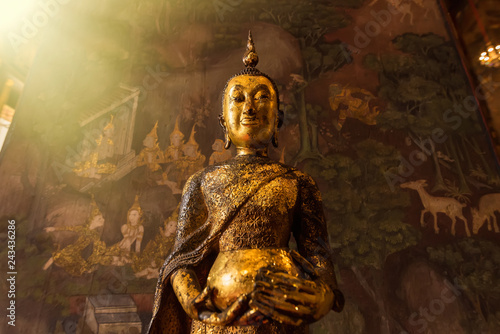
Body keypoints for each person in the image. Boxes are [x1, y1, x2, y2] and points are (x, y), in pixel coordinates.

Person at [148, 32, 343, 334]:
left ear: (277, 118)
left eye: (262, 97)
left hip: (282, 312)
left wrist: (323, 294)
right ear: (223, 121)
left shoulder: (297, 182)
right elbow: (180, 260)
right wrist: (191, 300)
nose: (250, 107)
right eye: (238, 98)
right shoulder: (202, 182)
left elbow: (317, 253)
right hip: (217, 316)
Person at [43, 196, 107, 276]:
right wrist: (53, 228)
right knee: (55, 257)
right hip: (70, 249)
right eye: (99, 219)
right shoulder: (82, 228)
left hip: (77, 254)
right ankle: (43, 270)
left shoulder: (95, 235)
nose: (103, 220)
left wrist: (95, 259)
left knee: (80, 268)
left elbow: (97, 248)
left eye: (102, 219)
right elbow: (68, 228)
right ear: (92, 220)